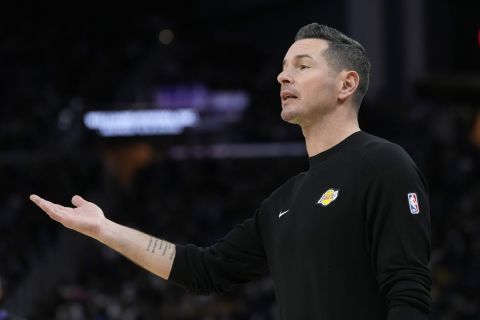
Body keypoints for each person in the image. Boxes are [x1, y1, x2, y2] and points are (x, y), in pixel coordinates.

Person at [30, 23, 432, 319]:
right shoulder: (284, 200)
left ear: (346, 84)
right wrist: (104, 229)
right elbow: (203, 270)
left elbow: (408, 292)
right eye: (283, 66)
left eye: (302, 65)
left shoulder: (383, 163)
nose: (283, 75)